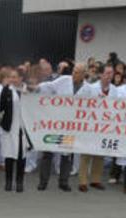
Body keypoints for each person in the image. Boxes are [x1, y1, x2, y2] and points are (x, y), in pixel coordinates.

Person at [36, 62, 89, 191]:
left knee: (66, 154)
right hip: (56, 123)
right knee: (48, 153)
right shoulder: (64, 80)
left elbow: (96, 103)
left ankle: (63, 182)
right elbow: (48, 87)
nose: (74, 74)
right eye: (74, 71)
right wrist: (34, 87)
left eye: (77, 72)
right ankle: (43, 182)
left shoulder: (88, 88)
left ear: (83, 74)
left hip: (71, 126)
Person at [76, 63, 115, 192]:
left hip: (105, 125)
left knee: (99, 153)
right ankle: (82, 181)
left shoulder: (115, 90)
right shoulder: (89, 88)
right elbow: (76, 100)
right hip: (90, 124)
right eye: (107, 73)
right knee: (86, 154)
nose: (110, 76)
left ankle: (95, 180)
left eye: (111, 73)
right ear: (100, 74)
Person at [0, 69, 28, 193]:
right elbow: (0, 106)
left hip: (24, 127)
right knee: (9, 155)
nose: (12, 79)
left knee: (22, 156)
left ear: (21, 78)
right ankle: (9, 181)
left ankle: (20, 181)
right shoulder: (6, 90)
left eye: (15, 77)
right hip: (9, 127)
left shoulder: (29, 90)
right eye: (11, 77)